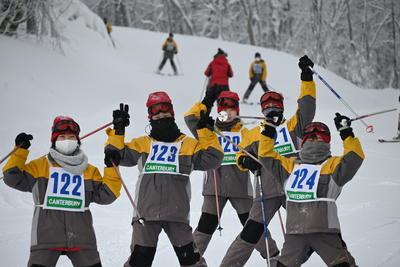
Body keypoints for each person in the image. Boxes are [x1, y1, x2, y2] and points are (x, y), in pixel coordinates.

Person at [104, 92, 224, 267]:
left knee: (190, 260)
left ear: (172, 112)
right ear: (150, 116)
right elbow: (116, 156)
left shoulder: (188, 144)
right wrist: (118, 131)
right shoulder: (143, 143)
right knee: (140, 260)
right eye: (155, 111)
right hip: (145, 213)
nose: (160, 114)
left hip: (177, 214)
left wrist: (205, 131)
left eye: (164, 109)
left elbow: (214, 158)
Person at [220, 55, 317, 267]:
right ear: (262, 110)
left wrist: (306, 78)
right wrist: (245, 161)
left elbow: (307, 106)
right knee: (251, 233)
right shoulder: (255, 133)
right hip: (266, 192)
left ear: (282, 108)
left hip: (293, 188)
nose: (271, 109)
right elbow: (241, 154)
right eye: (267, 106)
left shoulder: (293, 126)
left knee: (311, 229)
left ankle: (290, 261)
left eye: (276, 105)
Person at [2, 116, 122, 267]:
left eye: (71, 137)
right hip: (46, 238)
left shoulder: (89, 170)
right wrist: (19, 151)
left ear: (77, 141)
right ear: (54, 140)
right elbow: (11, 177)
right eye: (62, 137)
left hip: (82, 238)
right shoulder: (40, 166)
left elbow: (108, 195)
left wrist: (112, 168)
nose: (67, 140)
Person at [257, 113, 364, 267]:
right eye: (310, 138)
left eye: (319, 138)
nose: (314, 141)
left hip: (324, 231)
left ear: (327, 142)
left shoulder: (332, 166)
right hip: (295, 233)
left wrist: (346, 133)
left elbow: (354, 157)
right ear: (304, 142)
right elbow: (265, 155)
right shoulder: (290, 166)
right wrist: (268, 131)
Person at [184, 91, 273, 259]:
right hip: (214, 190)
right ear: (219, 110)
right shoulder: (207, 130)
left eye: (233, 109)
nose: (229, 112)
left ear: (238, 111)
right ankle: (191, 260)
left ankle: (272, 255)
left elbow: (263, 148)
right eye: (224, 108)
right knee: (205, 226)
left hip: (240, 189)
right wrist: (206, 103)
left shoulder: (244, 133)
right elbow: (190, 117)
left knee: (252, 226)